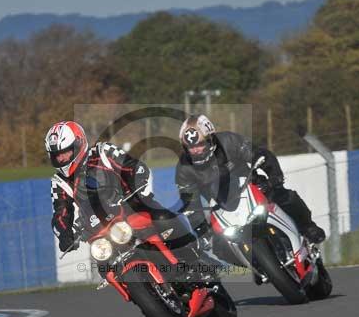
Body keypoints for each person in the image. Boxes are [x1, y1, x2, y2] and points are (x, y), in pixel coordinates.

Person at [45, 119, 207, 269]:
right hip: (102, 230)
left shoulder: (101, 152)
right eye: (56, 156)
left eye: (65, 152)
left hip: (132, 208)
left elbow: (132, 167)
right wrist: (65, 235)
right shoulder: (59, 182)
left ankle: (196, 253)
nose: (62, 159)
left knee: (164, 217)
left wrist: (138, 191)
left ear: (79, 144)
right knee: (104, 266)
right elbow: (60, 213)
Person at [175, 114, 326, 269]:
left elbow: (260, 154)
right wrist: (202, 232)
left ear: (211, 139)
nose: (196, 150)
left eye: (200, 144)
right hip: (224, 207)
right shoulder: (183, 169)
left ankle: (307, 226)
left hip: (253, 186)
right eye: (191, 147)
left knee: (285, 196)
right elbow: (191, 204)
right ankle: (257, 265)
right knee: (219, 246)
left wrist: (275, 178)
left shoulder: (228, 141)